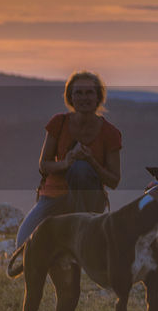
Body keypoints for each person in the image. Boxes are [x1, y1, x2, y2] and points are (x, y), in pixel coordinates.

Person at [14, 70, 122, 250]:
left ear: (98, 97)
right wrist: (66, 163)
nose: (84, 98)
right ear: (70, 97)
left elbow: (114, 180)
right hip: (54, 195)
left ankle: (81, 230)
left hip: (89, 199)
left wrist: (91, 162)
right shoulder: (59, 123)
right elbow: (44, 164)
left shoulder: (110, 133)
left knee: (81, 168)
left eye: (89, 92)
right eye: (78, 93)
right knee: (24, 244)